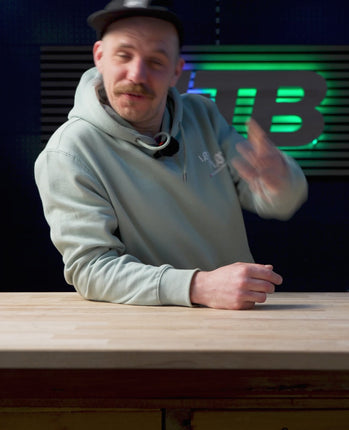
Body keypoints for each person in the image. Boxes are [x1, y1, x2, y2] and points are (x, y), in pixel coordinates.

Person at [34, 0, 308, 310]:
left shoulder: (202, 114)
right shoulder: (68, 153)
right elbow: (91, 269)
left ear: (176, 71)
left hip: (238, 316)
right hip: (147, 327)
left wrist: (280, 181)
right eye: (124, 55)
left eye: (156, 61)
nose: (137, 74)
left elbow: (276, 201)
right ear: (99, 56)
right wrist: (198, 286)